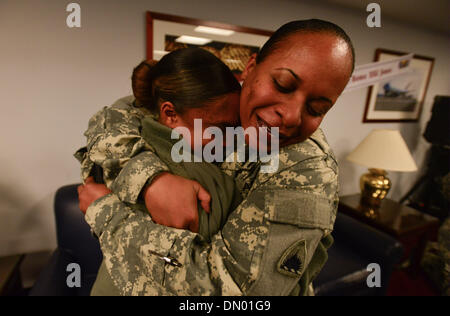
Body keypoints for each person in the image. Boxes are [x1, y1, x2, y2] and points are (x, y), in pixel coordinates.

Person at [80, 19, 355, 295]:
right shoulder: (227, 105)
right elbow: (114, 117)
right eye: (283, 84)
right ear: (250, 68)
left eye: (316, 109)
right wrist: (151, 179)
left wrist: (108, 215)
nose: (293, 115)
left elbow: (233, 292)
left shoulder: (307, 171)